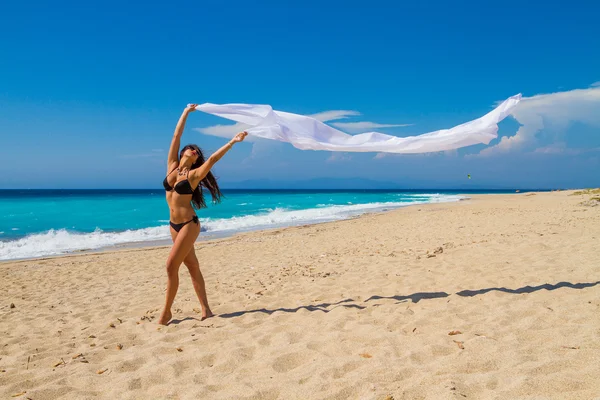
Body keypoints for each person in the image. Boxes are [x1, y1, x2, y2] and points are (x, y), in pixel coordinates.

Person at [159, 103, 247, 325]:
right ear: (182, 153)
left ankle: (166, 312)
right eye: (191, 149)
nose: (194, 151)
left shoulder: (195, 175)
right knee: (192, 266)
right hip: (173, 225)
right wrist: (186, 111)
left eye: (197, 152)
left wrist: (232, 142)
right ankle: (206, 310)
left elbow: (213, 160)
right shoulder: (171, 166)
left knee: (171, 265)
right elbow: (176, 134)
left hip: (189, 224)